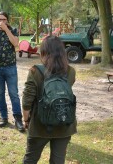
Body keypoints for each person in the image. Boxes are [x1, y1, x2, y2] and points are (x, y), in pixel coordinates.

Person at [22, 36, 77, 164]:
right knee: (58, 161)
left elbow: (27, 101)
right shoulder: (71, 71)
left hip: (40, 124)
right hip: (64, 123)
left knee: (30, 159)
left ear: (43, 52)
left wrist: (26, 120)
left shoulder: (35, 71)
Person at [0, 11, 24, 132]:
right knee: (0, 93)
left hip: (10, 67)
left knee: (13, 93)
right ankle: (3, 117)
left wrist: (6, 30)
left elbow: (16, 43)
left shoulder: (12, 30)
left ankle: (18, 119)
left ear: (7, 20)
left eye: (3, 19)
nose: (1, 21)